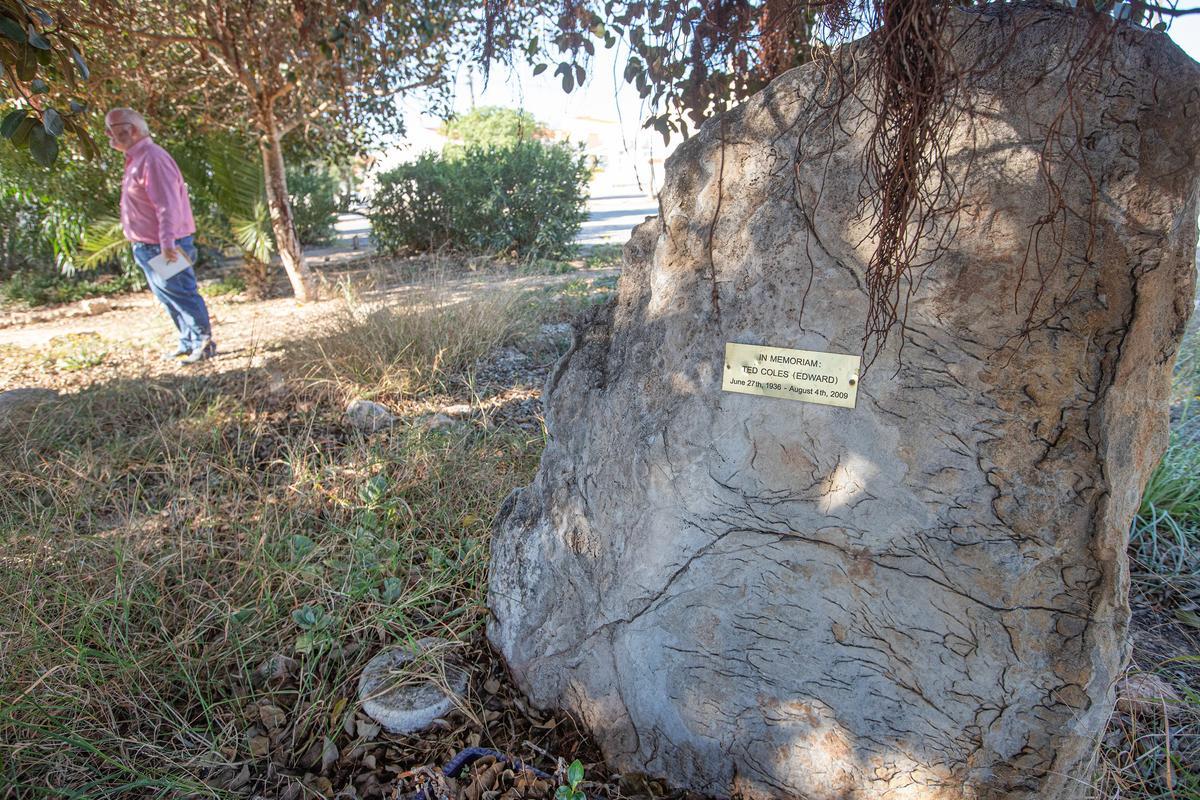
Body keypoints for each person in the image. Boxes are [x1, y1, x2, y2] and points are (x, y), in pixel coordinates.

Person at [105, 107, 216, 364]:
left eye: (111, 129)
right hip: (147, 246)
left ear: (130, 130)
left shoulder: (152, 158)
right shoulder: (137, 158)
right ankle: (188, 342)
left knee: (183, 294)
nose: (108, 135)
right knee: (168, 297)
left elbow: (167, 205)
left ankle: (204, 344)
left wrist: (167, 244)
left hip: (164, 246)